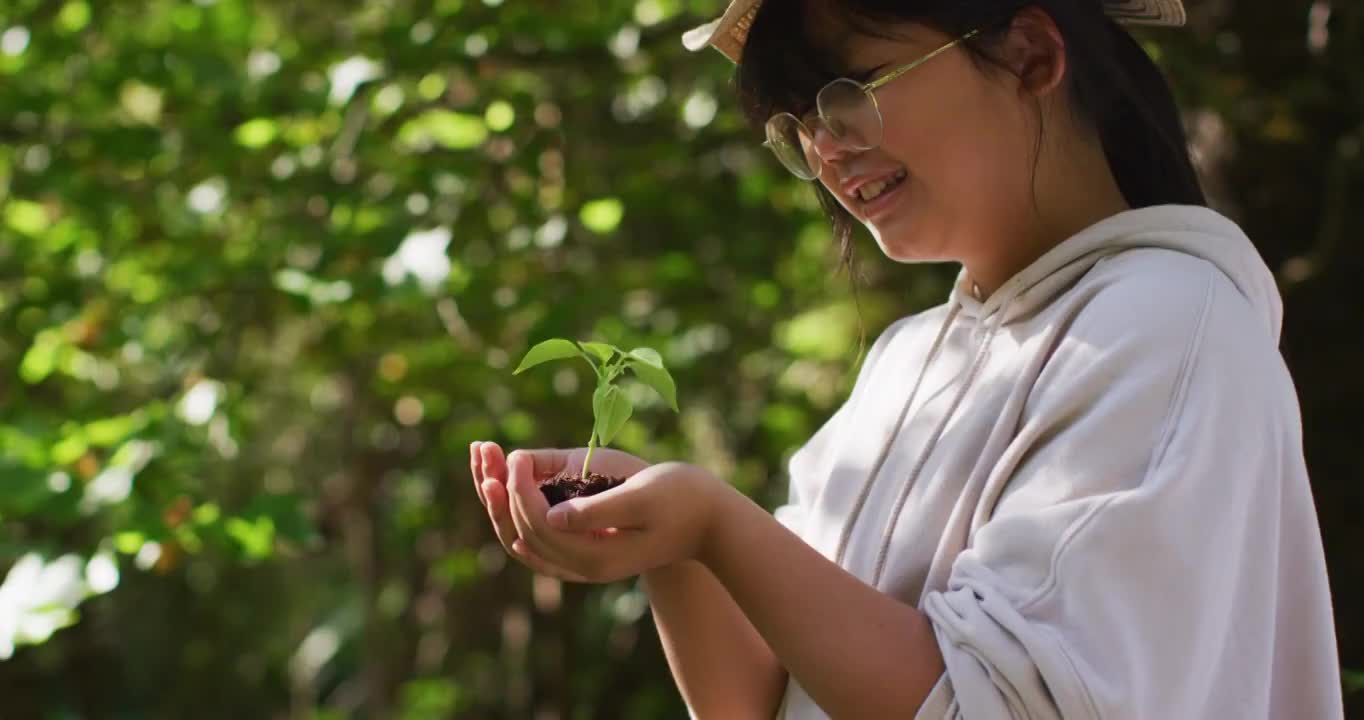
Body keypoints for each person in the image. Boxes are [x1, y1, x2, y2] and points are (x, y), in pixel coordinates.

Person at [470, 0, 1346, 716]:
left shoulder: (1166, 323)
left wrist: (714, 521)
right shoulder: (906, 362)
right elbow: (761, 698)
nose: (826, 143)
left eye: (850, 86)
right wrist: (670, 542)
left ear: (1031, 53)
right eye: (800, 117)